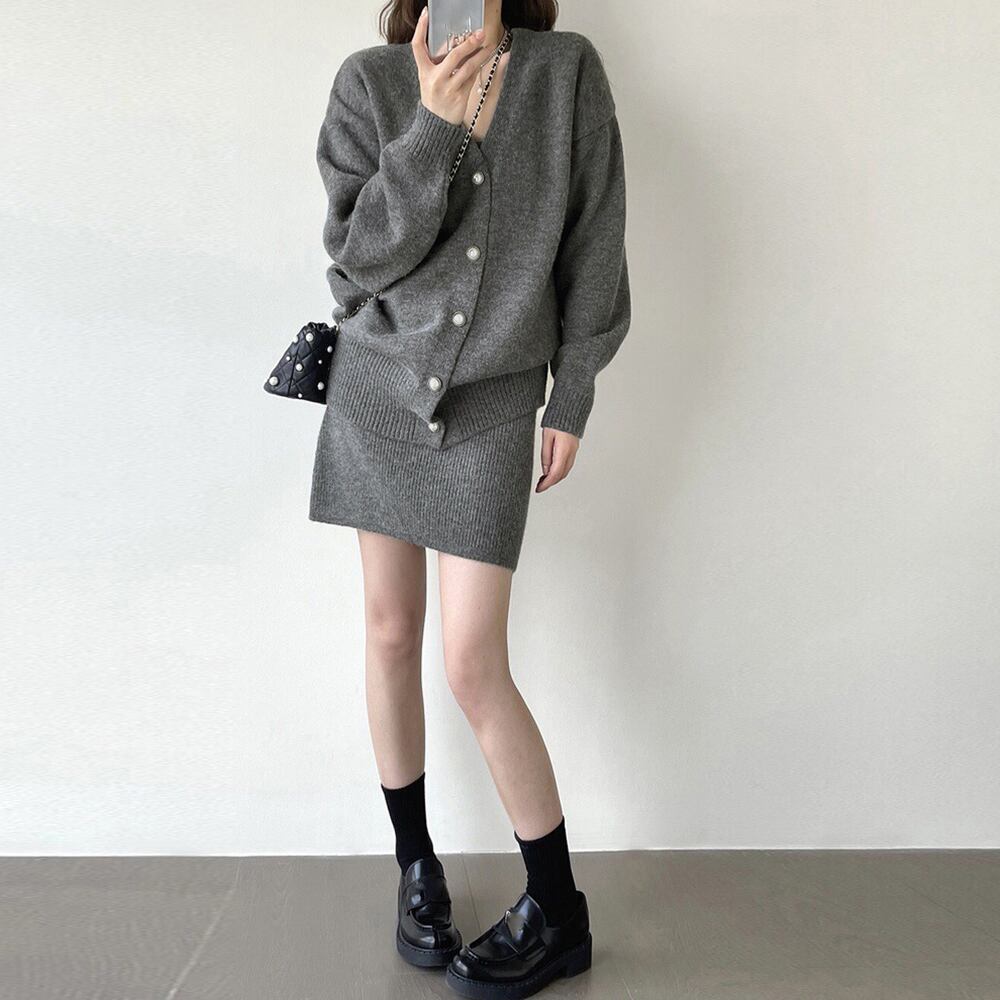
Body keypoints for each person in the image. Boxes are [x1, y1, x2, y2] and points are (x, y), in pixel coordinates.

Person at [307, 1, 631, 996]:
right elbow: (358, 257)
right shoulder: (369, 82)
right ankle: (416, 868)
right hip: (376, 393)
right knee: (389, 631)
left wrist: (571, 394)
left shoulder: (564, 72)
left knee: (472, 662)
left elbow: (595, 241)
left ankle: (558, 911)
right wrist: (432, 129)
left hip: (493, 402)